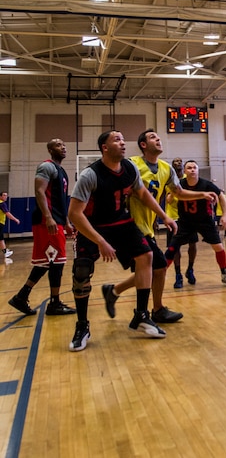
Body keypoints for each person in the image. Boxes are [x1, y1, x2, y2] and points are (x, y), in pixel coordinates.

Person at [67, 130, 179, 352]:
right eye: (116, 140)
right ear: (105, 148)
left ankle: (141, 315)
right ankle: (82, 327)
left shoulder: (130, 168)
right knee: (81, 270)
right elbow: (74, 214)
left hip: (121, 222)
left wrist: (164, 216)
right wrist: (100, 241)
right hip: (93, 225)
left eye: (122, 138)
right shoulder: (90, 175)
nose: (122, 142)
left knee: (146, 256)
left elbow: (143, 194)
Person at [101, 131, 212, 324]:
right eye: (153, 137)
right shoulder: (132, 164)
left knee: (153, 269)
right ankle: (151, 311)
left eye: (158, 137)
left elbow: (178, 192)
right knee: (157, 267)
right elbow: (128, 190)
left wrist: (201, 195)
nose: (158, 139)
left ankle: (115, 291)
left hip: (147, 226)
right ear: (143, 144)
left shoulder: (165, 168)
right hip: (128, 226)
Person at [8, 140, 75, 315]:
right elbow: (39, 191)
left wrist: (67, 222)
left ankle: (21, 297)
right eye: (59, 145)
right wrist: (48, 217)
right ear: (51, 149)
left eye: (64, 145)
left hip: (57, 220)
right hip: (47, 221)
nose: (63, 147)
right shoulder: (47, 167)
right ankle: (54, 303)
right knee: (56, 262)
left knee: (48, 261)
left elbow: (61, 201)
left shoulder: (61, 171)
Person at [165, 160, 226, 286]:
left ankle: (225, 273)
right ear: (185, 171)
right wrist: (170, 196)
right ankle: (161, 273)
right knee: (172, 247)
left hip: (204, 221)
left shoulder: (206, 184)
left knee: (218, 247)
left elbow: (221, 197)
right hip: (185, 221)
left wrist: (224, 215)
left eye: (194, 168)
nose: (192, 170)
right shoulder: (180, 184)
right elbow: (170, 198)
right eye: (189, 168)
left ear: (198, 170)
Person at [166, 157, 199, 289]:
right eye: (176, 162)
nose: (178, 163)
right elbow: (168, 200)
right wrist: (176, 191)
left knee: (193, 244)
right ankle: (178, 274)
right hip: (173, 217)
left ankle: (190, 269)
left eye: (180, 162)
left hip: (188, 217)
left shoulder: (188, 179)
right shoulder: (170, 179)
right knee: (175, 248)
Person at [0, 191, 20, 263]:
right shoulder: (2, 204)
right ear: (0, 196)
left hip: (1, 223)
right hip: (0, 223)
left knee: (1, 238)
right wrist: (15, 219)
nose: (6, 197)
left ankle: (5, 252)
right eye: (4, 195)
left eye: (6, 195)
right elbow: (7, 213)